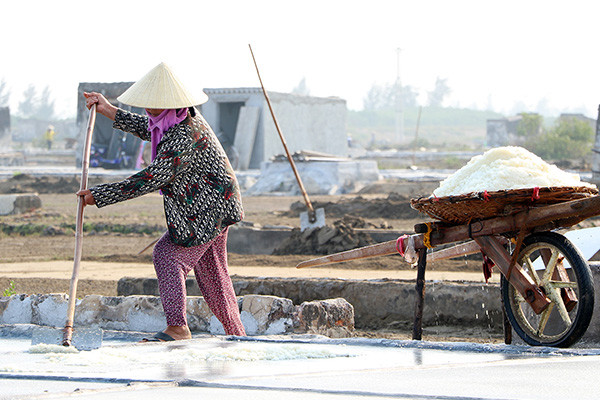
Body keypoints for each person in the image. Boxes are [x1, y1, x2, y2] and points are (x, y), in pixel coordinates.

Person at [79, 62, 246, 341]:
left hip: (208, 210)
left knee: (168, 255)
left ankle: (178, 327)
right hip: (208, 208)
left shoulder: (184, 134)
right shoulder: (173, 121)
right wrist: (107, 110)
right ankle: (238, 337)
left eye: (156, 105)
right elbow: (148, 127)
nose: (150, 110)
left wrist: (101, 195)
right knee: (214, 278)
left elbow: (154, 177)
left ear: (173, 103)